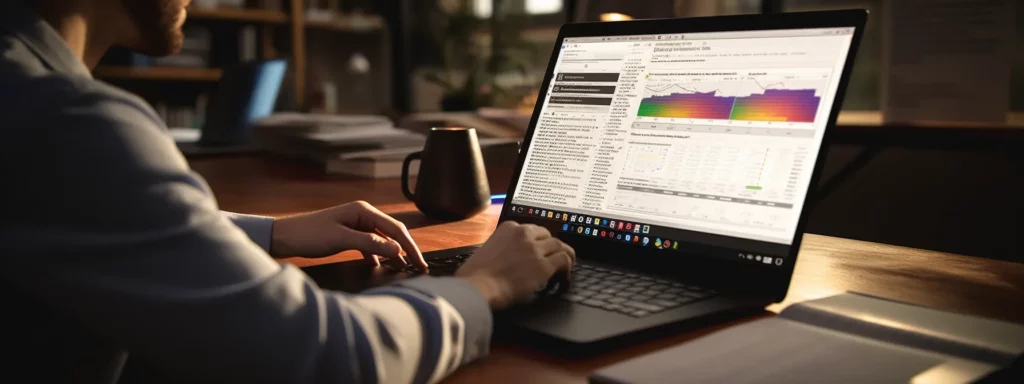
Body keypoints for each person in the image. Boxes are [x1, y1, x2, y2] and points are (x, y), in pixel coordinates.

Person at [0, 1, 575, 383]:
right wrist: (486, 284)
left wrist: (269, 231)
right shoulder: (65, 120)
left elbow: (87, 213)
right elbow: (320, 355)